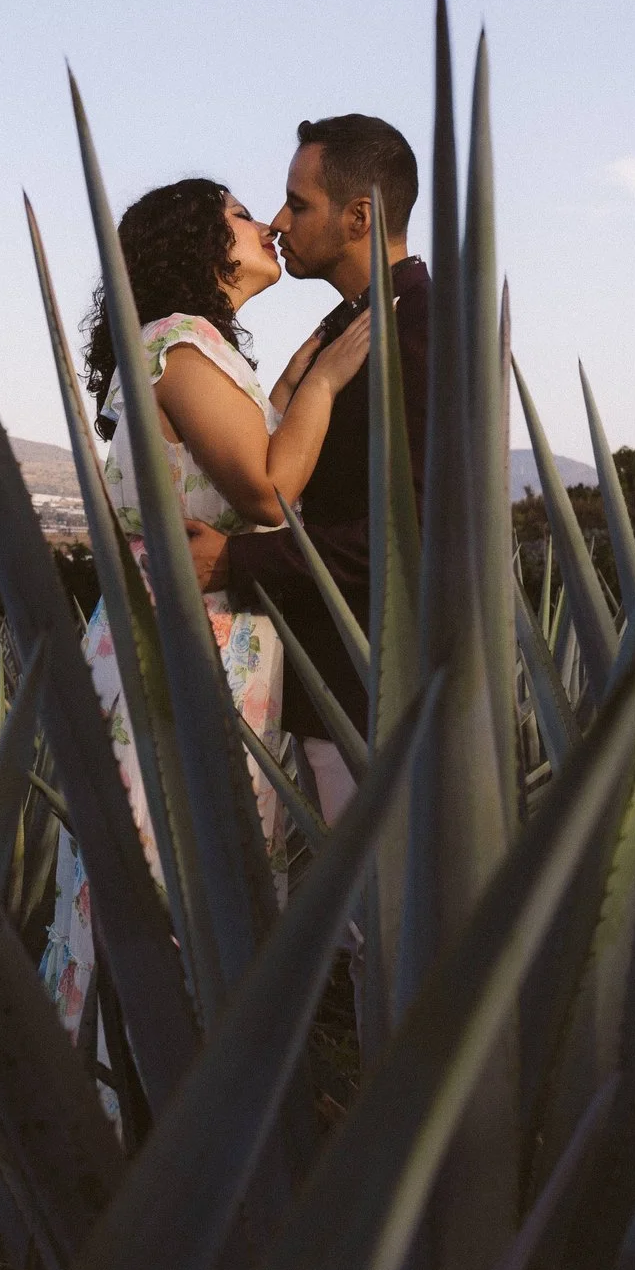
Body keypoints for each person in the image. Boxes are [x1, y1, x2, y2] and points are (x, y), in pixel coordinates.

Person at [38, 177, 375, 1040]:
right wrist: (330, 380)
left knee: (199, 866)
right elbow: (267, 490)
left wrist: (305, 361)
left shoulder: (197, 351)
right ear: (195, 246)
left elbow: (251, 437)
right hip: (181, 652)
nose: (262, 219)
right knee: (170, 872)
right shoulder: (177, 342)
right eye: (234, 212)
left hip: (214, 643)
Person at [187, 113, 429, 813]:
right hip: (323, 689)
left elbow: (410, 530)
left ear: (359, 216)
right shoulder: (345, 328)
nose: (279, 220)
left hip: (373, 697)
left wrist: (238, 563)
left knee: (373, 917)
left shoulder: (419, 328)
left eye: (299, 202)